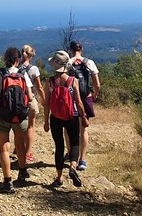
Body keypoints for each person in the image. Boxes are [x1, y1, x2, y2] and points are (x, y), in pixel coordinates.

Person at [0, 47, 35, 193]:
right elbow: (31, 97)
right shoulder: (23, 74)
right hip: (19, 115)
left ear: (5, 59)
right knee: (20, 144)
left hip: (2, 114)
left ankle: (7, 182)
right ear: (17, 60)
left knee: (4, 147)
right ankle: (22, 171)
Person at [43, 50, 88, 188]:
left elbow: (47, 103)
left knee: (59, 146)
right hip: (71, 115)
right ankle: (73, 167)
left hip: (55, 117)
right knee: (74, 143)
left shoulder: (49, 82)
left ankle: (59, 177)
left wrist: (46, 121)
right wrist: (83, 117)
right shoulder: (72, 81)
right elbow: (79, 102)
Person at [64, 41, 100, 171]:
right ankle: (82, 160)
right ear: (81, 49)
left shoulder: (68, 63)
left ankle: (70, 154)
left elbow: (63, 81)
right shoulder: (89, 62)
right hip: (85, 97)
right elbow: (97, 83)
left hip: (71, 98)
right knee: (83, 129)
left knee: (68, 129)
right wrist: (94, 94)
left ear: (71, 50)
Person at [17, 45, 46, 163]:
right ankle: (27, 153)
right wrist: (44, 100)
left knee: (20, 126)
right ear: (31, 55)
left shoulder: (16, 67)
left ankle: (18, 148)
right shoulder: (34, 69)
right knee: (30, 126)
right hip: (30, 99)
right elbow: (38, 86)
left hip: (18, 101)